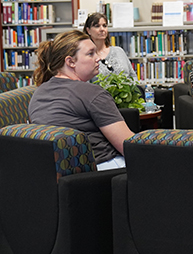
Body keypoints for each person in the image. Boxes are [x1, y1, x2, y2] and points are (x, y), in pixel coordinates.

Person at [28, 30, 135, 170]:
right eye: (91, 53)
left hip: (58, 174)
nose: (98, 58)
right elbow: (127, 146)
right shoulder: (92, 93)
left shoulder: (38, 93)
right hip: (102, 168)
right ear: (70, 61)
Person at [83, 12, 135, 79]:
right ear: (88, 30)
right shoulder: (87, 57)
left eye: (104, 26)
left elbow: (132, 75)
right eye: (97, 26)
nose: (102, 29)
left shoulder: (119, 51)